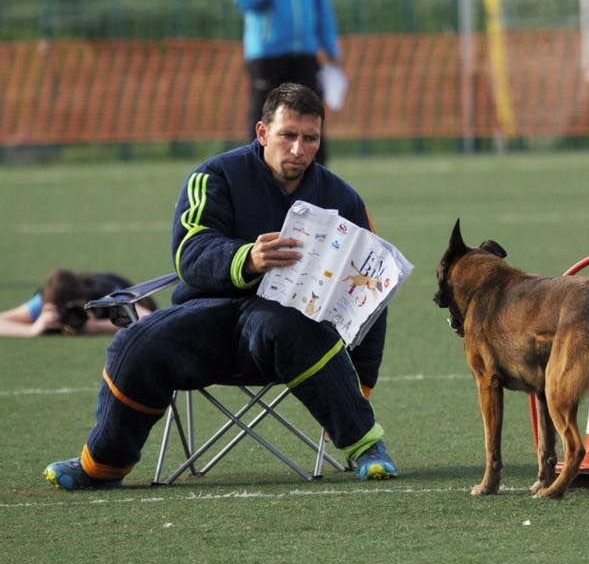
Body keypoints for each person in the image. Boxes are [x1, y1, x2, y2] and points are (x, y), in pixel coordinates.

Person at [43, 83, 396, 490]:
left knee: (290, 324)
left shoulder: (343, 200)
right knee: (135, 343)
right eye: (288, 135)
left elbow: (368, 298)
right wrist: (246, 258)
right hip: (207, 319)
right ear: (263, 133)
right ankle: (100, 466)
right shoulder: (215, 175)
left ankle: (366, 446)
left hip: (288, 337)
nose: (298, 149)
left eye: (310, 138)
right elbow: (189, 252)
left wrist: (362, 389)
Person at [232, 0, 341, 166]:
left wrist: (331, 48)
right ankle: (257, 171)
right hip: (267, 54)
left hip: (304, 52)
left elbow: (321, 5)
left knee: (310, 112)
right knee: (265, 115)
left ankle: (315, 174)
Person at [0, 269, 156, 337]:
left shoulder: (104, 294)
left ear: (83, 300)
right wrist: (32, 330)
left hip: (138, 297)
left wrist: (98, 326)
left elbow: (148, 319)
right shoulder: (45, 301)